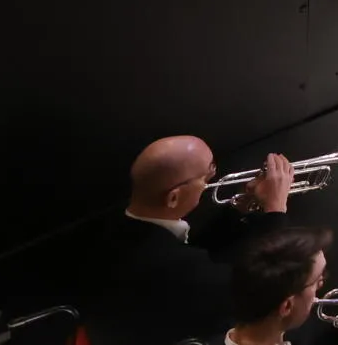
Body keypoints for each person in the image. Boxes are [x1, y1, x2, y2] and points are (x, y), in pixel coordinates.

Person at [79, 134, 296, 345]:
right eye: (206, 176)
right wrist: (276, 208)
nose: (212, 177)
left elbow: (193, 251)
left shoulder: (120, 227)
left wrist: (240, 206)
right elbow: (258, 287)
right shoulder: (170, 264)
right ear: (174, 197)